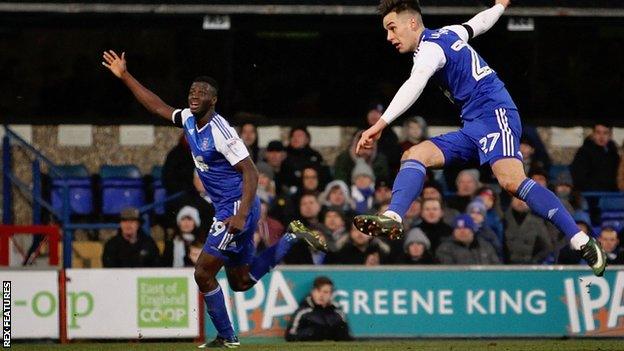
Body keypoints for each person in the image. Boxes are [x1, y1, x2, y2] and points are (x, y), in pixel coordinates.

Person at [353, 0, 606, 276]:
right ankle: (393, 216)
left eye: (392, 28)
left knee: (511, 182)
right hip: (473, 125)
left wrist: (380, 124)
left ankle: (581, 240)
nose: (389, 37)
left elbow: (414, 84)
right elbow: (478, 24)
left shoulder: (429, 50)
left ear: (412, 23)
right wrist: (499, 7)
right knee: (414, 155)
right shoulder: (448, 33)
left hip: (496, 114)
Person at [102, 50, 327, 348]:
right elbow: (157, 107)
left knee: (203, 273)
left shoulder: (223, 132)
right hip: (233, 208)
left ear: (214, 100)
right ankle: (290, 237)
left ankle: (226, 336)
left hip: (235, 207)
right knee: (240, 281)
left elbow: (251, 173)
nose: (195, 95)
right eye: (192, 91)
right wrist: (125, 75)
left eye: (202, 92)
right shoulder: (188, 120)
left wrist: (240, 214)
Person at [285, 276, 352, 342]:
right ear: (313, 292)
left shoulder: (338, 313)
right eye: (318, 291)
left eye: (325, 292)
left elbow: (346, 338)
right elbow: (290, 335)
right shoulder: (303, 312)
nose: (321, 295)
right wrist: (311, 333)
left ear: (331, 295)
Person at [570, 122, 620, 192]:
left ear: (610, 135)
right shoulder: (583, 153)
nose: (601, 136)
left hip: (610, 194)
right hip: (590, 194)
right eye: (598, 132)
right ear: (593, 134)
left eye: (605, 133)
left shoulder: (614, 154)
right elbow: (579, 175)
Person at [435, 215, 500, 265]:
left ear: (472, 230)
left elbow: (496, 268)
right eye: (458, 228)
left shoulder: (486, 246)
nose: (462, 231)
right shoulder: (445, 249)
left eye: (466, 227)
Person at [504, 198, 553, 264]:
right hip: (506, 267)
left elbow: (547, 247)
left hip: (528, 267)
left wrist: (534, 261)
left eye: (523, 200)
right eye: (517, 198)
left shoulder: (537, 222)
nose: (520, 202)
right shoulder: (503, 219)